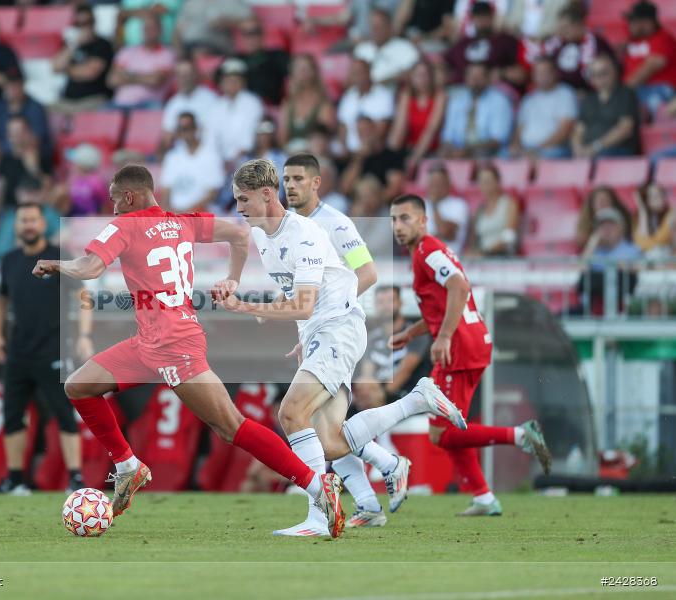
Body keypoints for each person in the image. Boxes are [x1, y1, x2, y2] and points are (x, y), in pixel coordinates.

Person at [32, 165, 346, 537]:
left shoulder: (122, 226)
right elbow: (239, 234)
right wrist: (233, 277)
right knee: (78, 386)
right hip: (150, 341)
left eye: (115, 199)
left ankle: (315, 484)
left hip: (172, 344)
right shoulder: (182, 221)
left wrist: (57, 264)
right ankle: (130, 466)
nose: (112, 208)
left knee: (230, 426)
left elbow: (90, 267)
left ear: (129, 197)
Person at [220, 158, 467, 536]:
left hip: (340, 329)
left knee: (291, 413)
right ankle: (417, 402)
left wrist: (248, 306)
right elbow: (250, 253)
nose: (239, 208)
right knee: (330, 442)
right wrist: (237, 284)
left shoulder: (308, 232)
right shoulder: (259, 233)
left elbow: (309, 300)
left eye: (244, 200)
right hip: (321, 332)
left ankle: (320, 515)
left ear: (267, 195)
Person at [388, 194, 551, 516]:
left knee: (442, 432)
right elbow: (445, 303)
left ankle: (520, 435)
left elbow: (460, 288)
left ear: (423, 221)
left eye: (405, 218)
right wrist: (411, 332)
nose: (398, 226)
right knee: (450, 430)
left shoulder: (427, 251)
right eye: (393, 219)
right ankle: (484, 497)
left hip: (460, 347)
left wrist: (444, 336)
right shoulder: (427, 252)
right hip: (470, 342)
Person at [280, 153, 404, 532]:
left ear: (317, 183)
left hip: (338, 328)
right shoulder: (289, 228)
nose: (291, 185)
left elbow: (367, 272)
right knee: (322, 427)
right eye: (287, 179)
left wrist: (328, 314)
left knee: (307, 418)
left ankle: (388, 465)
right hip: (315, 330)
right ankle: (368, 500)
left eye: (299, 178)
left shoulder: (336, 223)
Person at [0, 203, 84, 495]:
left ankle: (75, 480)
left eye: (33, 219)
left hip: (54, 349)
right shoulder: (9, 260)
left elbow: (83, 294)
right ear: (16, 226)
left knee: (64, 414)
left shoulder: (60, 257)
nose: (28, 225)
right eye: (23, 220)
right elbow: (1, 300)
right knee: (13, 415)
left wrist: (85, 335)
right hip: (18, 350)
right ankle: (15, 479)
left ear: (43, 224)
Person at [572, 54, 641, 158]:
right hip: (588, 151)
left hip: (617, 151)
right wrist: (577, 148)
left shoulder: (626, 94)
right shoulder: (589, 98)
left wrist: (595, 147)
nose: (599, 78)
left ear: (615, 72)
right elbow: (578, 130)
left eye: (603, 73)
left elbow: (625, 129)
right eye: (594, 74)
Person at [508, 57, 577, 160]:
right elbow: (519, 129)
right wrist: (515, 147)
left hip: (554, 149)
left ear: (555, 73)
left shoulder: (565, 94)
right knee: (504, 155)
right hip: (528, 149)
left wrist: (538, 149)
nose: (542, 76)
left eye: (545, 72)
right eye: (538, 72)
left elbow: (564, 131)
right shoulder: (529, 99)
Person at [440, 62, 514, 158]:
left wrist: (467, 151)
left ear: (488, 78)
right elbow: (447, 137)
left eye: (479, 76)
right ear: (465, 78)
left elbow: (498, 141)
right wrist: (450, 150)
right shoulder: (457, 101)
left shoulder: (500, 101)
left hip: (491, 158)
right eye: (471, 75)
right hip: (457, 155)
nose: (475, 80)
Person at [444, 1, 521, 88]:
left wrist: (501, 73)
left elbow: (520, 74)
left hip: (495, 89)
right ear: (472, 19)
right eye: (477, 17)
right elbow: (445, 67)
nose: (481, 20)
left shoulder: (505, 41)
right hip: (463, 90)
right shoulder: (462, 44)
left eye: (485, 16)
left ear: (492, 17)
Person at [540, 2, 615, 91]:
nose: (562, 31)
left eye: (565, 27)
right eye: (560, 28)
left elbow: (607, 73)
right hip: (560, 93)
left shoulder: (597, 43)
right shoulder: (559, 43)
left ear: (578, 25)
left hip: (588, 93)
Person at [387, 60, 447, 171]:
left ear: (431, 77)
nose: (422, 79)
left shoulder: (440, 96)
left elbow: (431, 129)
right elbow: (399, 129)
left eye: (425, 75)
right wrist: (391, 155)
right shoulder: (407, 96)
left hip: (431, 149)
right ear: (411, 78)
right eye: (418, 75)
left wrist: (415, 158)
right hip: (409, 148)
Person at [53, 5, 114, 112]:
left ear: (94, 22)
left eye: (87, 22)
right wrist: (74, 45)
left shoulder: (103, 45)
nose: (84, 27)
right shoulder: (71, 45)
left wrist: (67, 69)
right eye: (79, 24)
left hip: (93, 99)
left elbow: (89, 73)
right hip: (68, 100)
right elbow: (55, 67)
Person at [159, 112, 224, 213]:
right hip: (175, 214)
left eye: (187, 128)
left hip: (200, 213)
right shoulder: (172, 157)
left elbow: (212, 194)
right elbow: (166, 192)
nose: (184, 133)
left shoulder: (211, 156)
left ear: (196, 128)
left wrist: (187, 213)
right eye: (180, 129)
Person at [107, 16, 175, 109]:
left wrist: (127, 75)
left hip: (149, 104)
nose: (148, 32)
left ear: (160, 30)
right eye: (146, 28)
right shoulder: (126, 52)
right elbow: (112, 80)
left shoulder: (167, 54)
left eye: (152, 28)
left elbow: (155, 80)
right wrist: (145, 77)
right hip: (120, 103)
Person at [206, 59, 264, 165]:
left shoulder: (252, 103)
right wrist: (218, 160)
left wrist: (232, 161)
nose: (231, 84)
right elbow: (210, 138)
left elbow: (249, 140)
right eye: (227, 80)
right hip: (219, 161)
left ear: (243, 82)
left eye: (235, 80)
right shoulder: (216, 106)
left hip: (246, 159)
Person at [622, 1, 676, 115]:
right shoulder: (633, 40)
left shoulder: (663, 38)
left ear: (647, 22)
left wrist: (620, 93)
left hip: (660, 91)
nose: (629, 24)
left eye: (633, 21)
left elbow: (650, 67)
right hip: (637, 90)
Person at [0, 68, 51, 164]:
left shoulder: (35, 107)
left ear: (23, 85)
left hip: (29, 154)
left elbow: (37, 139)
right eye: (9, 85)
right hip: (5, 155)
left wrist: (18, 149)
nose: (12, 89)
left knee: (30, 154)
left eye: (16, 85)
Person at [337, 58, 394, 156]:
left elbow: (382, 129)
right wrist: (344, 148)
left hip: (375, 153)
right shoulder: (348, 96)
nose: (358, 76)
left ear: (369, 72)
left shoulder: (384, 95)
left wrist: (365, 149)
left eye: (361, 72)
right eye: (354, 73)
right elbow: (342, 126)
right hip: (349, 153)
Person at [0, 116, 54, 209]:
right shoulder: (4, 160)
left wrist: (33, 168)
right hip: (10, 210)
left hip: (36, 208)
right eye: (13, 132)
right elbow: (1, 190)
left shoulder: (41, 157)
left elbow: (49, 190)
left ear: (29, 132)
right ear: (8, 135)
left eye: (20, 131)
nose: (17, 136)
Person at [353, 9, 419, 86]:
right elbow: (351, 79)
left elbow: (414, 73)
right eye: (373, 27)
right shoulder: (361, 50)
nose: (375, 31)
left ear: (389, 27)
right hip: (366, 95)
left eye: (379, 27)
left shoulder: (406, 48)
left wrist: (388, 80)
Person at [161, 58, 217, 148]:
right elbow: (168, 136)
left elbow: (214, 131)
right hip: (179, 153)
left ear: (195, 75)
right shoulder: (173, 103)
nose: (184, 79)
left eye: (187, 75)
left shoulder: (211, 99)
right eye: (180, 75)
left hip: (206, 150)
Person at [235, 16, 291, 106]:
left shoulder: (277, 56)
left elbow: (297, 74)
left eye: (255, 32)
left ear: (262, 34)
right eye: (246, 33)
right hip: (240, 111)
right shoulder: (235, 60)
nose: (251, 37)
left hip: (269, 110)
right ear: (241, 36)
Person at [467, 164, 520, 257]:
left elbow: (509, 237)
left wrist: (485, 252)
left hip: (502, 256)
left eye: (488, 181)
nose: (484, 185)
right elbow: (474, 241)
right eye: (481, 182)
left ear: (497, 182)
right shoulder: (479, 210)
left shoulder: (509, 204)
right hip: (483, 257)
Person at [173, 0, 251, 57]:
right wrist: (178, 53)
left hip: (217, 47)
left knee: (199, 52)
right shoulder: (191, 2)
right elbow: (178, 29)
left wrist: (226, 21)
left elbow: (250, 19)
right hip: (189, 46)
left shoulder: (231, 2)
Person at [423, 164, 469, 256]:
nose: (435, 186)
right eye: (432, 182)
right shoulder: (419, 205)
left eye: (439, 182)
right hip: (422, 261)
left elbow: (446, 232)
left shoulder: (459, 205)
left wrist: (434, 205)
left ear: (448, 183)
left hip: (449, 261)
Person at [576, 186, 633, 250]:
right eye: (599, 201)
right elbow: (585, 258)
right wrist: (593, 243)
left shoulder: (627, 248)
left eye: (606, 200)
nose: (603, 204)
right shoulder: (587, 235)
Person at [59, 144, 108, 216]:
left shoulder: (96, 182)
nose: (72, 165)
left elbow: (104, 205)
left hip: (90, 222)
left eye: (74, 163)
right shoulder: (73, 179)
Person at [633, 183, 671, 256]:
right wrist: (643, 211)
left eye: (661, 194)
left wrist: (643, 211)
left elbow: (659, 240)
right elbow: (639, 243)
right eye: (653, 196)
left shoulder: (672, 214)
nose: (659, 198)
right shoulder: (639, 217)